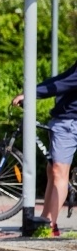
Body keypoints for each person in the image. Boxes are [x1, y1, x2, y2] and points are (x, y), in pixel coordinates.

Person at [11, 60, 77, 236]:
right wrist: (31, 91)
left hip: (70, 123)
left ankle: (50, 226)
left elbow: (63, 84)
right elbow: (63, 78)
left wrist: (32, 93)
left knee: (58, 172)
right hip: (63, 121)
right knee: (52, 171)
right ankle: (44, 219)